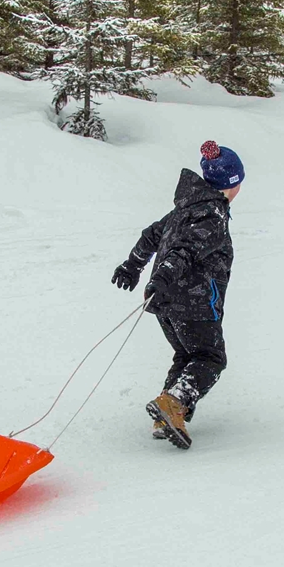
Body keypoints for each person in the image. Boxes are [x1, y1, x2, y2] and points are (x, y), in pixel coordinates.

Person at [112, 140, 243, 449]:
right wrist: (161, 278)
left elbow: (151, 236)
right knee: (210, 358)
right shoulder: (212, 217)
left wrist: (133, 265)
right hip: (194, 303)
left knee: (187, 355)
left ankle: (167, 415)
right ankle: (174, 403)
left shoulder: (183, 209)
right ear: (231, 184)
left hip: (167, 304)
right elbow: (183, 252)